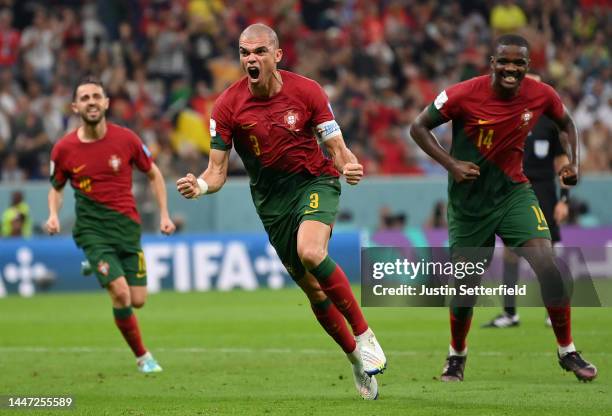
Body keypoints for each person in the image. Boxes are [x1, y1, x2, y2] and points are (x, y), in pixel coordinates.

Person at [176, 23, 386, 400]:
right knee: (315, 293)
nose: (250, 59)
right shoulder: (227, 105)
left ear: (277, 55)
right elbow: (217, 171)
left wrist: (348, 164)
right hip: (272, 205)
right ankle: (357, 360)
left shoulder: (307, 91)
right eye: (244, 53)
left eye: (258, 52)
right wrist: (201, 186)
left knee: (311, 252)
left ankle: (364, 332)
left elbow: (336, 146)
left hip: (313, 182)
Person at [410, 34, 597, 382]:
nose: (511, 68)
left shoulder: (542, 95)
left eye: (519, 63)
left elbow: (567, 123)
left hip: (514, 193)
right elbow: (417, 127)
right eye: (504, 62)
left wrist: (572, 164)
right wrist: (451, 164)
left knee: (548, 264)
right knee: (466, 288)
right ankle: (457, 355)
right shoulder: (462, 94)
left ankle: (567, 351)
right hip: (469, 204)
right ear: (492, 63)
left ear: (528, 66)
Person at [46, 77, 176, 373]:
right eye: (85, 97)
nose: (91, 101)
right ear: (75, 106)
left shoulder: (126, 139)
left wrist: (165, 214)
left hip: (127, 229)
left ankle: (97, 265)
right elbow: (56, 186)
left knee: (138, 300)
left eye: (96, 96)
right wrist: (53, 214)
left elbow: (154, 174)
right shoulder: (64, 148)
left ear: (106, 103)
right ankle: (144, 357)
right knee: (120, 293)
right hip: (93, 231)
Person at [483, 109, 570, 328]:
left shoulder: (548, 124)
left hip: (544, 193)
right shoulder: (507, 118)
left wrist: (564, 199)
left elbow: (562, 163)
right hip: (514, 192)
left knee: (546, 255)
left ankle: (554, 312)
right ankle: (510, 313)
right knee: (510, 254)